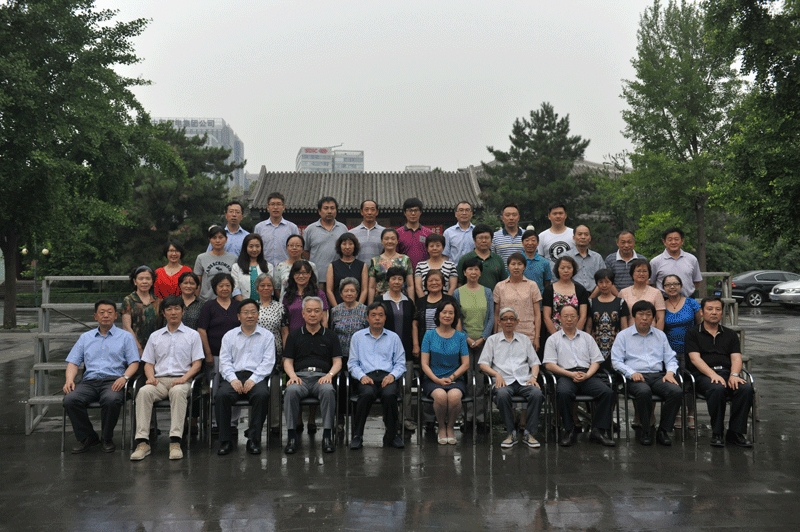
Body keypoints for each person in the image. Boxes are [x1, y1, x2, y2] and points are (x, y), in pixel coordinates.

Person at [130, 296, 204, 461]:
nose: (173, 312)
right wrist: (150, 377)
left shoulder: (193, 335)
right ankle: (142, 443)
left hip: (182, 380)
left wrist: (184, 378)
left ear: (182, 311)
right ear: (163, 313)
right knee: (144, 392)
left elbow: (197, 364)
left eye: (177, 309)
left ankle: (175, 442)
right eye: (169, 309)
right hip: (159, 381)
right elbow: (148, 363)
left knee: (178, 392)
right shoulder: (155, 336)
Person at [63, 300, 139, 454]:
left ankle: (106, 438)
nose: (106, 315)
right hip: (89, 381)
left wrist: (124, 378)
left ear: (116, 316)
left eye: (110, 312)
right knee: (70, 399)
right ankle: (88, 437)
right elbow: (73, 362)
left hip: (114, 380)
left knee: (111, 399)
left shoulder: (126, 337)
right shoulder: (86, 337)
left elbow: (134, 362)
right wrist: (69, 380)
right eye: (102, 312)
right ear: (95, 316)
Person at [685, 297, 754, 448]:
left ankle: (735, 432)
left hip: (727, 373)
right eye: (709, 309)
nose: (714, 312)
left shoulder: (730, 334)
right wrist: (713, 375)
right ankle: (717, 432)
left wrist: (734, 375)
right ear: (702, 312)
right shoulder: (692, 333)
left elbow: (736, 358)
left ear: (722, 313)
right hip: (702, 376)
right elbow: (695, 359)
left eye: (718, 309)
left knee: (745, 388)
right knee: (717, 388)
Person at [611, 300, 682, 446]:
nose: (644, 318)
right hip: (635, 376)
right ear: (634, 316)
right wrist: (631, 373)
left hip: (658, 376)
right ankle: (646, 430)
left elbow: (670, 358)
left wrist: (670, 373)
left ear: (653, 318)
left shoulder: (660, 335)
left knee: (676, 392)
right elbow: (616, 361)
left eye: (648, 315)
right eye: (641, 314)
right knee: (643, 392)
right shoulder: (623, 336)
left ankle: (663, 430)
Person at [543, 304, 615, 447]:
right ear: (559, 318)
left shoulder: (587, 338)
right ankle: (569, 430)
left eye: (572, 316)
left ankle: (598, 430)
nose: (569, 319)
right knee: (563, 393)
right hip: (566, 374)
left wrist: (587, 375)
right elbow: (549, 365)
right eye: (566, 316)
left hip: (587, 375)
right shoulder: (553, 339)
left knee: (607, 393)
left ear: (577, 318)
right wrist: (570, 374)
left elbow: (596, 361)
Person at [283, 297, 343, 455]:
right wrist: (292, 376)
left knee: (328, 390)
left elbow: (337, 361)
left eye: (317, 311)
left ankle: (327, 436)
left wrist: (330, 375)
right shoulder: (294, 335)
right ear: (303, 314)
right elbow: (287, 361)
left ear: (322, 314)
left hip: (322, 377)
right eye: (309, 311)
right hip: (300, 377)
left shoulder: (331, 335)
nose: (312, 314)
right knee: (291, 391)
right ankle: (292, 437)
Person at [216, 299, 276, 455]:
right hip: (234, 376)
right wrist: (233, 379)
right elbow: (224, 362)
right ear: (238, 316)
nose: (250, 316)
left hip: (256, 376)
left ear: (258, 315)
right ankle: (225, 440)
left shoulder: (267, 336)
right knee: (221, 395)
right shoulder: (229, 336)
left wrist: (253, 379)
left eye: (253, 312)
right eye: (246, 312)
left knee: (262, 395)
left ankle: (254, 439)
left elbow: (268, 362)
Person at [479, 307, 544, 449]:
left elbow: (535, 363)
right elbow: (483, 364)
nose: (508, 321)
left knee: (537, 393)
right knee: (502, 395)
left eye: (512, 319)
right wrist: (496, 374)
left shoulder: (524, 339)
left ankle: (528, 433)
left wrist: (533, 377)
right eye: (505, 319)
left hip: (523, 380)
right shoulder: (492, 340)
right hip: (503, 381)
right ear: (499, 322)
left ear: (517, 322)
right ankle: (511, 433)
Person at [348, 302, 407, 450]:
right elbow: (352, 363)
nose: (377, 318)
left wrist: (392, 375)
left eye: (381, 315)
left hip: (387, 376)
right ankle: (357, 435)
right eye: (373, 315)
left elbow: (400, 363)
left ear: (385, 317)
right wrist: (361, 376)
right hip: (366, 376)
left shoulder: (393, 337)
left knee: (389, 395)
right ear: (367, 317)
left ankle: (393, 434)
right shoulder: (357, 337)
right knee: (366, 394)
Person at [283, 260, 329, 434]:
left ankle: (311, 418)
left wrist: (323, 336)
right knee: (297, 379)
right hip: (295, 341)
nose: (301, 276)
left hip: (316, 338)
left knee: (315, 376)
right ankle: (297, 419)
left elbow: (324, 318)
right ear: (293, 275)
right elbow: (285, 322)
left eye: (305, 272)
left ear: (310, 275)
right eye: (298, 273)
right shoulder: (288, 295)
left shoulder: (319, 293)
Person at [454, 256, 494, 432]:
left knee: (482, 381)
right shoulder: (458, 293)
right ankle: (468, 418)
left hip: (484, 343)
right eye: (470, 269)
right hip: (465, 342)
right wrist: (467, 338)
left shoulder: (487, 292)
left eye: (476, 269)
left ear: (480, 272)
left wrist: (483, 337)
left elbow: (491, 317)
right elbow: (457, 318)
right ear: (464, 272)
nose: (473, 272)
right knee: (468, 380)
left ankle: (481, 418)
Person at [420, 301, 470, 444]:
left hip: (455, 378)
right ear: (438, 315)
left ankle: (450, 427)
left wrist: (452, 377)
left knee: (454, 397)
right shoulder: (429, 335)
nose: (447, 316)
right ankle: (441, 426)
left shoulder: (460, 337)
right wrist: (437, 380)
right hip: (433, 378)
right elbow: (424, 364)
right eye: (444, 312)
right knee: (441, 396)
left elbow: (466, 364)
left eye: (451, 313)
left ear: (455, 316)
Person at [197, 273, 241, 429]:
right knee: (214, 389)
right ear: (215, 288)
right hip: (215, 355)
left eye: (228, 285)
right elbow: (202, 330)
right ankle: (216, 422)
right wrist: (208, 354)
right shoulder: (209, 306)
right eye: (221, 285)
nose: (224, 288)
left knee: (236, 387)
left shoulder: (238, 305)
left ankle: (233, 422)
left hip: (236, 357)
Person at [381, 267, 419, 432]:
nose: (396, 282)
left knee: (406, 387)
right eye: (393, 278)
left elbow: (413, 324)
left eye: (400, 279)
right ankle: (390, 420)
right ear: (388, 281)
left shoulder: (408, 302)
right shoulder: (380, 301)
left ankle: (406, 418)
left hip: (406, 349)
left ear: (404, 282)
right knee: (388, 388)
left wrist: (416, 344)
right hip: (385, 352)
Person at [663, 274, 701, 429]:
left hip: (690, 350)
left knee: (690, 382)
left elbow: (699, 324)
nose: (672, 287)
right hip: (670, 351)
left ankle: (691, 413)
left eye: (675, 283)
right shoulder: (661, 305)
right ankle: (677, 412)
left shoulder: (691, 303)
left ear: (681, 285)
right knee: (674, 382)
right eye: (668, 284)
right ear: (663, 288)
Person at [330, 277, 368, 429]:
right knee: (339, 387)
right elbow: (331, 333)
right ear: (341, 293)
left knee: (357, 387)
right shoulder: (335, 311)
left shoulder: (364, 310)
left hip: (360, 357)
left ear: (357, 293)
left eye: (352, 290)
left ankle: (356, 421)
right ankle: (339, 418)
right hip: (340, 356)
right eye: (346, 291)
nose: (349, 293)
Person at [255, 273, 288, 436]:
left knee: (275, 389)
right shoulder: (252, 306)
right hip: (255, 354)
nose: (266, 288)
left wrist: (285, 355)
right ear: (257, 288)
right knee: (255, 389)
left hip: (276, 352)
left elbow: (285, 331)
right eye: (262, 285)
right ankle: (255, 424)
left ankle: (275, 424)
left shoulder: (280, 307)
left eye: (269, 285)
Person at [493, 253, 542, 350]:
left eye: (519, 264)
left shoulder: (532, 285)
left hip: (528, 333)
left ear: (524, 267)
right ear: (508, 267)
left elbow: (537, 314)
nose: (516, 267)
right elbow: (496, 314)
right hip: (504, 333)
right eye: (513, 264)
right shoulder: (500, 286)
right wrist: (495, 334)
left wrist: (537, 337)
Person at [585, 269, 629, 372]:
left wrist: (623, 343)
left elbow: (624, 327)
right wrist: (588, 342)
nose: (604, 285)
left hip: (615, 343)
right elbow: (588, 326)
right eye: (600, 282)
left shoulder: (621, 302)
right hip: (596, 344)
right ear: (597, 284)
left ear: (612, 283)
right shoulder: (591, 303)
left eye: (607, 282)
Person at [304, 196, 348, 291]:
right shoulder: (310, 229)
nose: (329, 211)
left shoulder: (343, 228)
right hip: (317, 277)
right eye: (326, 208)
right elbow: (305, 251)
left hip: (338, 276)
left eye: (332, 208)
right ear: (319, 211)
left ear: (336, 211)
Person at [542, 256, 589, 339]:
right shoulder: (549, 290)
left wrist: (574, 336)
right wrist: (557, 338)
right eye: (562, 268)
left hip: (576, 336)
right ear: (557, 270)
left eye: (569, 268)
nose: (566, 270)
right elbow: (546, 317)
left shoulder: (580, 290)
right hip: (555, 335)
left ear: (573, 270)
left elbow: (583, 316)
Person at [650, 227, 703, 298]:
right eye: (670, 240)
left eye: (676, 239)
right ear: (664, 242)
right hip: (664, 300)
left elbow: (696, 281)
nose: (673, 242)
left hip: (688, 299)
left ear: (682, 241)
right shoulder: (655, 262)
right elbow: (651, 283)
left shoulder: (692, 259)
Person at [122, 265, 162, 358]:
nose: (144, 282)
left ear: (152, 281)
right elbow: (127, 327)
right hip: (134, 347)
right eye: (141, 279)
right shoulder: (129, 300)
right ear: (135, 281)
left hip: (156, 347)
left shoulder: (158, 301)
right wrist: (138, 348)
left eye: (148, 278)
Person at [254, 192, 300, 268]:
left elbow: (298, 250)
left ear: (283, 207)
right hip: (264, 268)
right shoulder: (259, 227)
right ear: (268, 207)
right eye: (272, 204)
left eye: (278, 204)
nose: (275, 207)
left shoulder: (292, 228)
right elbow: (255, 249)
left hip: (286, 269)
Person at [367, 228, 413, 303]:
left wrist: (412, 304)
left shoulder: (405, 259)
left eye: (393, 239)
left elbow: (410, 285)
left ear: (397, 241)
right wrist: (370, 306)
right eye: (386, 239)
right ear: (382, 241)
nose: (390, 241)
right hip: (380, 301)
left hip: (401, 300)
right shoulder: (375, 261)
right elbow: (371, 287)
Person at [456, 224, 507, 291]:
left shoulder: (498, 259)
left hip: (493, 296)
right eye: (480, 238)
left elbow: (503, 282)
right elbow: (459, 282)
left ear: (491, 240)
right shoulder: (465, 259)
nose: (484, 241)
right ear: (474, 240)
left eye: (487, 238)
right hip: (469, 296)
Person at [194, 225, 239, 301]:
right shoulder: (201, 258)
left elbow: (236, 283)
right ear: (210, 240)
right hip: (206, 301)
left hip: (227, 301)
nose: (217, 241)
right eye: (214, 238)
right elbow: (197, 282)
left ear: (226, 239)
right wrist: (196, 301)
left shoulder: (234, 258)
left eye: (220, 237)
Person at [619, 259, 666, 330]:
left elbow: (660, 318)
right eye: (638, 271)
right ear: (632, 273)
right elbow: (622, 318)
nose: (641, 274)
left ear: (649, 274)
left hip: (651, 332)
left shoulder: (656, 292)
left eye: (644, 271)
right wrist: (625, 335)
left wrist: (658, 335)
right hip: (630, 333)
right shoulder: (623, 292)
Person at [326, 232, 368, 306]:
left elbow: (364, 290)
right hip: (338, 305)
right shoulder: (332, 266)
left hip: (357, 306)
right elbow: (329, 290)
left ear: (355, 246)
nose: (347, 247)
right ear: (340, 246)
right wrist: (337, 308)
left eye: (350, 244)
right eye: (344, 244)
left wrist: (358, 308)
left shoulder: (362, 265)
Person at [230, 233, 275, 300]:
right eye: (251, 246)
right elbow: (235, 289)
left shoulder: (268, 266)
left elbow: (270, 289)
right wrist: (245, 304)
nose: (254, 249)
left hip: (264, 304)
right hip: (243, 304)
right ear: (245, 248)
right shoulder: (236, 267)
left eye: (257, 246)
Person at [275, 234, 318, 301]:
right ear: (286, 248)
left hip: (307, 302)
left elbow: (315, 285)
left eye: (298, 245)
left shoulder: (311, 266)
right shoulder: (279, 266)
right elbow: (277, 288)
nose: (294, 248)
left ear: (303, 249)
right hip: (287, 303)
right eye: (291, 245)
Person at [414, 233, 457, 298]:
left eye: (438, 245)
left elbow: (452, 287)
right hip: (425, 302)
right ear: (427, 248)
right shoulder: (420, 266)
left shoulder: (451, 266)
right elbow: (418, 288)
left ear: (443, 248)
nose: (434, 248)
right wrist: (424, 302)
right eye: (431, 246)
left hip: (446, 302)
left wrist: (446, 302)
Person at [396, 197, 433, 270]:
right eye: (410, 210)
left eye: (416, 210)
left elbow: (433, 255)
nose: (413, 213)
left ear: (420, 212)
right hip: (404, 273)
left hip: (424, 272)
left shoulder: (428, 233)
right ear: (405, 213)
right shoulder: (397, 233)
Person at [567, 225, 605, 293]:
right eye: (580, 234)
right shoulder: (566, 257)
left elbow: (603, 279)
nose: (583, 237)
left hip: (593, 295)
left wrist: (592, 297)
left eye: (586, 234)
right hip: (571, 295)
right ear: (574, 238)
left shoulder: (597, 257)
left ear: (590, 238)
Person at [538, 202, 574, 266]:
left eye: (560, 213)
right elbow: (540, 260)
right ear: (549, 216)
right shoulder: (542, 236)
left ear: (565, 215)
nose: (558, 216)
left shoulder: (574, 234)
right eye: (554, 214)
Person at [521, 230, 551, 294]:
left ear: (537, 243)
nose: (530, 243)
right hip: (520, 297)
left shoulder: (545, 262)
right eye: (527, 240)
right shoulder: (517, 261)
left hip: (539, 297)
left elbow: (547, 282)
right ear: (522, 243)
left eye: (533, 240)